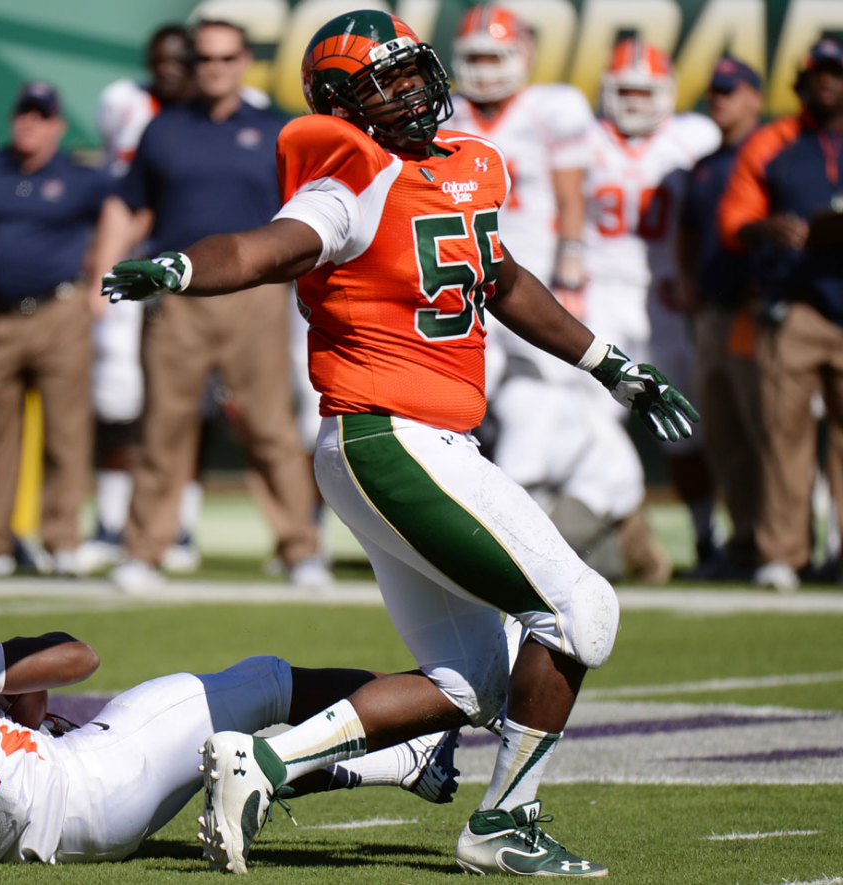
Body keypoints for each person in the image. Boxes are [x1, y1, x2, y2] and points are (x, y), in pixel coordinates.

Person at [102, 10, 697, 877]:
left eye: (413, 70)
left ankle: (261, 762)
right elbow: (267, 249)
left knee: (470, 685)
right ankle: (506, 821)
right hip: (389, 434)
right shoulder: (350, 177)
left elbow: (496, 274)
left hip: (418, 441)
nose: (413, 89)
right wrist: (185, 269)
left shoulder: (471, 162)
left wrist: (610, 363)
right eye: (385, 82)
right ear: (346, 103)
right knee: (579, 608)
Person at [0, 552, 460, 862]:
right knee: (266, 682)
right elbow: (75, 657)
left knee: (205, 757)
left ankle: (400, 765)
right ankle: (432, 710)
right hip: (87, 784)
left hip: (19, 840)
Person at [89, 19, 328, 593]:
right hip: (178, 294)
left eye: (225, 58)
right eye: (204, 59)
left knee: (270, 425)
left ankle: (301, 548)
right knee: (163, 427)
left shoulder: (278, 128)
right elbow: (130, 205)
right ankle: (144, 550)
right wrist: (102, 269)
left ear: (245, 59)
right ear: (191, 64)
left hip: (257, 296)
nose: (215, 68)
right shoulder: (163, 129)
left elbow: (314, 211)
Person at [447, 3, 644, 580]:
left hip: (526, 283)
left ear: (523, 56)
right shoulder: (446, 111)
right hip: (460, 283)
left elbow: (570, 195)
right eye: (475, 57)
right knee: (459, 412)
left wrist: (572, 269)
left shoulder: (551, 108)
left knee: (553, 408)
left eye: (494, 56)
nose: (483, 70)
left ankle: (551, 532)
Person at [0, 81, 111, 579]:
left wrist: (99, 278)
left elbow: (121, 213)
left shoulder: (81, 176)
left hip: (61, 313)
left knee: (66, 435)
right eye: (24, 114)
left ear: (57, 125)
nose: (31, 123)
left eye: (42, 115)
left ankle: (62, 541)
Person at [582, 38, 721, 581]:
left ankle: (708, 536)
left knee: (687, 427)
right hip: (599, 297)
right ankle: (621, 540)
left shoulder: (692, 139)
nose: (636, 102)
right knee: (594, 429)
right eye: (627, 91)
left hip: (664, 299)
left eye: (646, 91)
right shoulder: (584, 142)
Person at [719, 37, 843, 594]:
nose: (825, 81)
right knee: (783, 435)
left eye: (835, 73)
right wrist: (768, 228)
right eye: (816, 73)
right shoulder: (774, 144)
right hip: (795, 306)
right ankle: (783, 553)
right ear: (799, 83)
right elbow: (733, 222)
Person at [79, 24, 198, 574]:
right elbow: (124, 192)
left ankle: (181, 526)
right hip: (132, 261)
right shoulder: (123, 102)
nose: (170, 69)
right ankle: (110, 521)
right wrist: (105, 264)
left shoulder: (215, 113)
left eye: (181, 60)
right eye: (161, 60)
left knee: (187, 401)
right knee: (117, 396)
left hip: (189, 266)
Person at [675, 55, 766, 579]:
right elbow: (688, 229)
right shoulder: (706, 164)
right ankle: (743, 544)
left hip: (757, 311)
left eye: (730, 90)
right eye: (714, 91)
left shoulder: (772, 153)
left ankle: (780, 546)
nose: (720, 99)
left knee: (766, 434)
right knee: (725, 435)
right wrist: (687, 275)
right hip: (712, 310)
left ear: (755, 96)